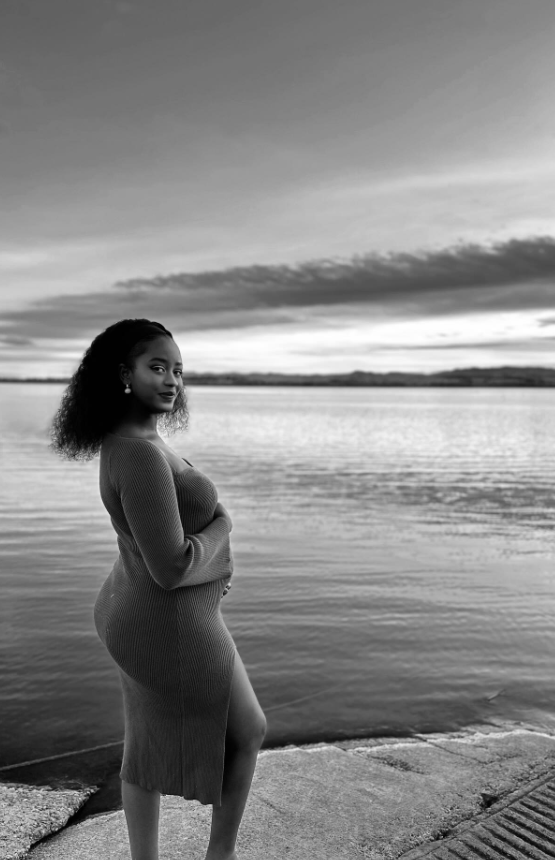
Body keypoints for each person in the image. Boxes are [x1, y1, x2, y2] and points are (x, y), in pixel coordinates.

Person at [48, 317, 267, 860]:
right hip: (161, 615)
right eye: (157, 367)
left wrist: (210, 559)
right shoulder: (139, 452)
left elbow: (162, 546)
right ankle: (220, 855)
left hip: (136, 606)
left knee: (145, 747)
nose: (172, 380)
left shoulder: (139, 439)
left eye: (178, 370)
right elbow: (170, 566)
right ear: (124, 374)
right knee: (246, 730)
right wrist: (223, 531)